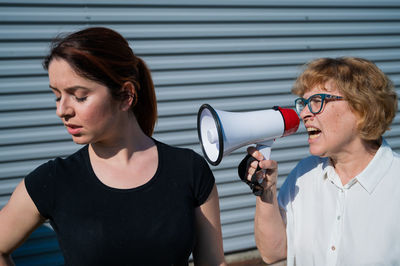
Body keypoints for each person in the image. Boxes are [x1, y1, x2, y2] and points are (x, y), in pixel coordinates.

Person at [0, 27, 226, 266]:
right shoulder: (54, 180)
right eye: (57, 96)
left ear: (126, 95)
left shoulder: (189, 170)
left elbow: (213, 262)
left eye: (78, 96)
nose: (62, 110)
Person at [240, 57, 400, 265]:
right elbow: (274, 253)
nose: (304, 113)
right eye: (304, 103)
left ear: (361, 108)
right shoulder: (303, 174)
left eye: (317, 101)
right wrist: (266, 194)